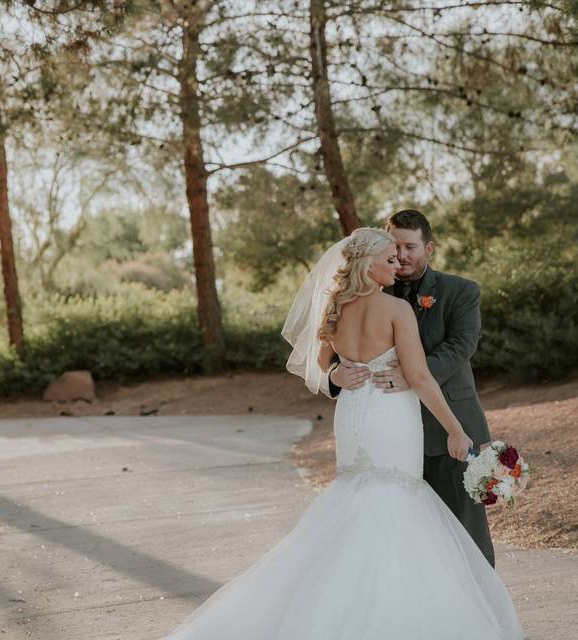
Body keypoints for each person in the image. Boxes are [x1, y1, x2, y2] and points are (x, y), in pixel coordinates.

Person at [162, 227, 525, 640]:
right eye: (388, 259)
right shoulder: (395, 310)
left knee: (359, 497)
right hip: (388, 414)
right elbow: (420, 376)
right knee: (395, 500)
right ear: (367, 265)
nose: (396, 265)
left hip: (354, 414)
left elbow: (319, 364)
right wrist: (456, 430)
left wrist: (336, 371)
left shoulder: (336, 307)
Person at [328, 209, 497, 567]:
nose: (401, 257)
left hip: (441, 426)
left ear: (429, 248)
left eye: (409, 247)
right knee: (399, 534)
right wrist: (334, 377)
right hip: (387, 431)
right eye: (394, 249)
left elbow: (460, 347)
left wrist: (411, 373)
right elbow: (328, 359)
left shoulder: (460, 291)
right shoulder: (375, 294)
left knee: (466, 533)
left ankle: (478, 612)